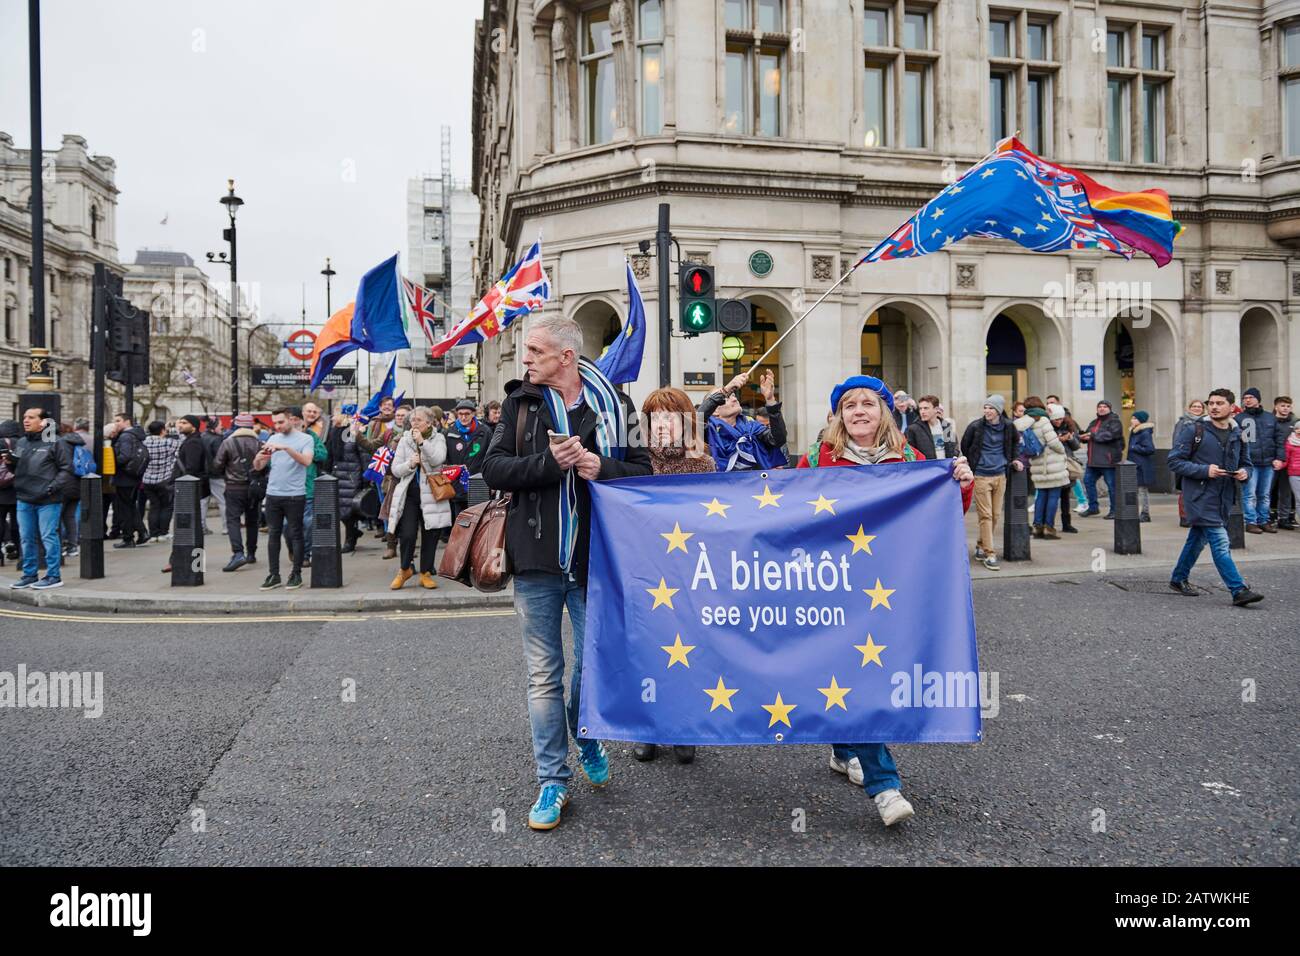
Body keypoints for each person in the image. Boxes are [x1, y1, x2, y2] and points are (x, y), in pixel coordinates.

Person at [481, 315, 651, 831]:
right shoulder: (520, 403)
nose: (526, 358)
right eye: (526, 351)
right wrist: (550, 463)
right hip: (535, 559)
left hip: (595, 558)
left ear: (566, 357)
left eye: (535, 350)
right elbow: (493, 469)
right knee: (543, 676)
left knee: (591, 669)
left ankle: (586, 731)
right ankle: (552, 781)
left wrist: (604, 468)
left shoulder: (614, 406)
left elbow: (643, 470)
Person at [796, 375, 974, 827]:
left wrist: (961, 482)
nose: (859, 411)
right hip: (834, 586)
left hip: (889, 589)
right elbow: (788, 514)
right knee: (853, 676)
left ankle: (842, 748)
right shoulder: (817, 460)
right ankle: (885, 786)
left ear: (884, 412)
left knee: (862, 673)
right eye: (850, 404)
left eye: (868, 403)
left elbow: (943, 511)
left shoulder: (911, 460)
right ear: (838, 415)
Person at [631, 387, 717, 766]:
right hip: (644, 570)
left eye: (671, 416)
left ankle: (684, 725)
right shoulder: (636, 461)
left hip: (686, 574)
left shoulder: (702, 464)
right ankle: (647, 726)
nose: (663, 423)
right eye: (656, 416)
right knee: (647, 649)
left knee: (686, 650)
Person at [1167, 388, 1263, 607]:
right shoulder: (1194, 430)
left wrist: (1245, 473)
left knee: (1197, 539)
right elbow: (1174, 461)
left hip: (1224, 496)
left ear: (1232, 407)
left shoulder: (1238, 434)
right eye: (1211, 403)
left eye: (1220, 403)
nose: (1214, 407)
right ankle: (1238, 590)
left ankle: (1178, 578)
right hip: (1199, 496)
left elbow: (1247, 463)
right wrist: (1205, 470)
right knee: (1220, 542)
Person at [6, 407, 74, 589]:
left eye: (31, 417)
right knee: (26, 538)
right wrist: (10, 463)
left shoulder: (56, 442)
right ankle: (29, 575)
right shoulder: (21, 442)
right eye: (24, 417)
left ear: (43, 422)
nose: (26, 420)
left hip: (48, 499)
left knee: (48, 537)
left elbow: (67, 470)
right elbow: (17, 469)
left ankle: (53, 576)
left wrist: (51, 488)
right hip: (24, 497)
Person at [386, 406, 450, 590]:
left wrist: (422, 443)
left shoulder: (438, 438)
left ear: (429, 423)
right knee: (407, 534)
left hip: (432, 493)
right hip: (410, 494)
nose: (414, 423)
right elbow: (395, 469)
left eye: (419, 420)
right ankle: (405, 568)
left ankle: (426, 572)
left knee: (431, 535)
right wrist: (410, 463)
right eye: (412, 420)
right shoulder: (405, 440)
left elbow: (438, 459)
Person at [252, 408, 316, 591]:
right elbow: (258, 467)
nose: (277, 426)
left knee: (296, 534)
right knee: (273, 534)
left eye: (281, 422)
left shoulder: (306, 439)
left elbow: (307, 461)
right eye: (275, 423)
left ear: (291, 420)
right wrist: (258, 459)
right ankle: (274, 574)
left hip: (295, 494)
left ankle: (296, 574)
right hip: (273, 494)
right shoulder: (273, 438)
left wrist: (286, 448)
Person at [959, 395, 1023, 571]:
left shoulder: (1009, 427)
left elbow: (1015, 444)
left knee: (995, 515)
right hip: (981, 475)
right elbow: (965, 445)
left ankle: (980, 545)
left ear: (999, 411)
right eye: (985, 407)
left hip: (1001, 474)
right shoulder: (976, 426)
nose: (987, 411)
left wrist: (1015, 459)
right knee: (985, 515)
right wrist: (973, 465)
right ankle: (989, 553)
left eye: (991, 408)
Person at [700, 369, 787, 472]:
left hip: (753, 485)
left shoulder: (752, 427)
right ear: (714, 411)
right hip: (720, 485)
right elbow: (692, 423)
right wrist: (725, 390)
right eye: (727, 398)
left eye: (733, 395)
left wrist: (770, 400)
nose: (734, 399)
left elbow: (778, 439)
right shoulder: (707, 431)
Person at [212, 413, 263, 572]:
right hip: (254, 487)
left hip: (234, 487)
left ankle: (238, 553)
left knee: (233, 520)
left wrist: (226, 474)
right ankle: (251, 553)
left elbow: (218, 464)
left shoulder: (228, 443)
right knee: (252, 520)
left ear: (236, 426)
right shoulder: (259, 443)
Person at [1014, 397, 1068, 539]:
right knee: (1053, 496)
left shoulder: (1021, 422)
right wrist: (1063, 451)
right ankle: (1048, 528)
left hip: (1036, 463)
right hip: (1051, 463)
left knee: (1041, 496)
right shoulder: (1043, 421)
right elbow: (1053, 442)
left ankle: (1037, 527)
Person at [1235, 387, 1281, 533]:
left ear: (1258, 399)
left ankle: (1264, 520)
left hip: (1268, 462)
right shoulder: (1239, 419)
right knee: (1250, 494)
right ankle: (1250, 522)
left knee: (1264, 494)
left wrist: (1280, 458)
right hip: (1250, 463)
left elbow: (1279, 439)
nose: (1247, 400)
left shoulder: (1270, 418)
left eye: (1250, 397)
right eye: (1245, 398)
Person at [289, 406, 329, 567]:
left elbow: (323, 454)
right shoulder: (280, 436)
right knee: (287, 526)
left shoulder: (311, 436)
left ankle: (304, 554)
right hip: (287, 488)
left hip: (308, 486)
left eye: (315, 412)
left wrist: (308, 453)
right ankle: (294, 548)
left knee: (307, 523)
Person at [445, 398, 492, 526]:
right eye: (460, 414)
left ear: (473, 414)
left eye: (467, 414)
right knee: (461, 522)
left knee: (478, 521)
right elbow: (446, 459)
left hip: (479, 483)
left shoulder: (485, 432)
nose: (464, 417)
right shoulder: (450, 433)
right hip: (457, 485)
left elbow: (490, 456)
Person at [326, 411, 365, 554]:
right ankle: (353, 533)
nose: (332, 418)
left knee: (348, 512)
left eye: (334, 415)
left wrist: (365, 478)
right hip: (338, 475)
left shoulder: (353, 433)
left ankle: (350, 540)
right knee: (341, 511)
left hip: (351, 476)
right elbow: (329, 455)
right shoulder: (334, 433)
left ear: (342, 417)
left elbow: (363, 454)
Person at [109, 412, 149, 548]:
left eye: (118, 420)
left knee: (124, 507)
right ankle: (141, 532)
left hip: (124, 476)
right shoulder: (135, 435)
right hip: (133, 476)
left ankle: (128, 538)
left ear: (127, 422)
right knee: (130, 506)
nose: (116, 423)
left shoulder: (125, 436)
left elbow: (124, 456)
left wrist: (113, 462)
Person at [1079, 399, 1124, 518]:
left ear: (1109, 409)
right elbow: (1089, 435)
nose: (1102, 408)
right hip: (1093, 461)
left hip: (1108, 460)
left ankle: (1115, 510)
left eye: (1105, 406)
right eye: (1100, 406)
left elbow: (1111, 435)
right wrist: (1083, 437)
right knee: (1088, 482)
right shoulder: (1094, 422)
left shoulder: (1115, 421)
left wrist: (1092, 435)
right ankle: (1093, 507)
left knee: (1112, 486)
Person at [141, 421, 179, 542]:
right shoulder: (169, 443)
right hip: (165, 479)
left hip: (147, 480)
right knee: (167, 506)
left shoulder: (144, 442)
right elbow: (180, 448)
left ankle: (153, 534)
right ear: (162, 430)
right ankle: (163, 532)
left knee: (154, 506)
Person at [1173, 398, 1208, 527]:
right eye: (1194, 406)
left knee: (1200, 489)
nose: (1197, 408)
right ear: (1189, 408)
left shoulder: (1207, 423)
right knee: (1185, 489)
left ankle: (1197, 515)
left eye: (1199, 406)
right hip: (1186, 460)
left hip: (1201, 460)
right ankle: (1184, 516)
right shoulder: (1183, 422)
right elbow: (1177, 441)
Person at [1048, 404, 1081, 533]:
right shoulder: (1047, 428)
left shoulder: (1069, 427)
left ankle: (1067, 524)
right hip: (1053, 465)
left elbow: (1076, 446)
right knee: (1052, 496)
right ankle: (1048, 524)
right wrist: (1058, 440)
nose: (1058, 421)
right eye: (1056, 419)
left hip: (1066, 465)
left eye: (1060, 419)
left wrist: (1070, 438)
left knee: (1065, 496)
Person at [57, 423, 87, 559]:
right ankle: (72, 546)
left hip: (63, 484)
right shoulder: (77, 443)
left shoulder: (60, 443)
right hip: (77, 483)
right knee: (70, 517)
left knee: (57, 517)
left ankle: (61, 545)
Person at [1126, 410, 1156, 522]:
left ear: (1141, 420)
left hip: (1142, 466)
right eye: (1132, 418)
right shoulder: (1135, 432)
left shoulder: (1144, 433)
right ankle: (1136, 512)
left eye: (1135, 418)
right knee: (1135, 490)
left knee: (1142, 491)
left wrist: (1134, 447)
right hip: (1135, 465)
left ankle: (1145, 513)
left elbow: (1150, 449)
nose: (1132, 420)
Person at [1272, 396, 1296, 530]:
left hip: (1289, 462)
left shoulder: (1295, 423)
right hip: (1272, 460)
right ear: (1276, 407)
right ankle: (1264, 517)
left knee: (1285, 491)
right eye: (1282, 406)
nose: (1285, 408)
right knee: (1266, 491)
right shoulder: (1270, 421)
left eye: (1288, 406)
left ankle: (1284, 518)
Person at [905, 394, 953, 460]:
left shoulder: (946, 425)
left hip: (946, 467)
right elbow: (909, 454)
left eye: (926, 408)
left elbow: (953, 447)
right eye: (920, 409)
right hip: (926, 468)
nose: (922, 412)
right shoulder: (913, 429)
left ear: (936, 409)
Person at [0, 420, 20, 561]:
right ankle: (18, 551)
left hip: (1, 490)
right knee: (17, 523)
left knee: (0, 521)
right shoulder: (22, 443)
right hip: (18, 488)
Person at [1285, 419, 1300, 522]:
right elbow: (1286, 458)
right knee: (1299, 499)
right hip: (1294, 474)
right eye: (1297, 428)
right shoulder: (1290, 442)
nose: (1299, 430)